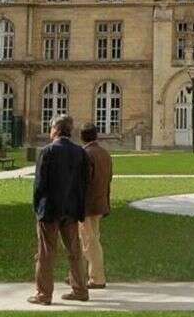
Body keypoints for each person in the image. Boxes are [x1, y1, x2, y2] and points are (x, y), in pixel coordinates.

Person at [28, 114, 89, 305]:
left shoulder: (48, 151)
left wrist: (38, 208)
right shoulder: (80, 152)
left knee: (46, 253)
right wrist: (79, 207)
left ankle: (44, 294)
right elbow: (84, 183)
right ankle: (80, 290)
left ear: (55, 129)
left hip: (50, 209)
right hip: (71, 209)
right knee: (75, 251)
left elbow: (39, 185)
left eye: (51, 128)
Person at [79, 122, 113, 289]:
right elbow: (108, 179)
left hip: (87, 205)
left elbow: (83, 182)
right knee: (89, 239)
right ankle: (79, 274)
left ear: (82, 137)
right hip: (100, 203)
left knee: (89, 242)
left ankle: (97, 278)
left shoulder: (86, 154)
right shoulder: (104, 153)